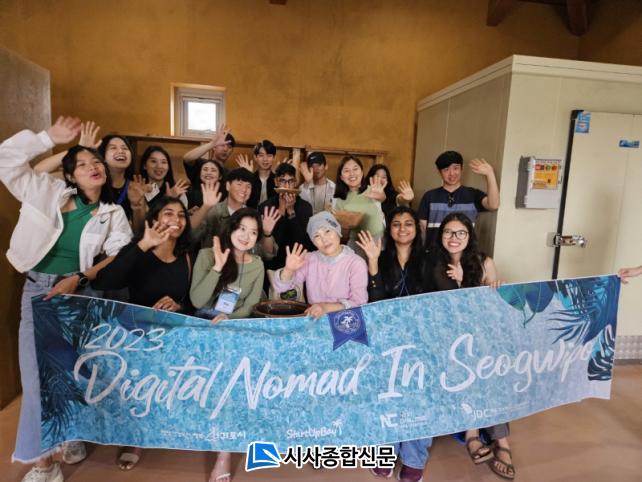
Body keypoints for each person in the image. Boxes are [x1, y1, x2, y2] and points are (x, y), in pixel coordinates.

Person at [0, 116, 132, 482]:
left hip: (78, 295)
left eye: (96, 161)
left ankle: (72, 433)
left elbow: (119, 254)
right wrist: (49, 139)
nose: (93, 167)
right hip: (38, 291)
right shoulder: (46, 191)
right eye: (83, 164)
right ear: (70, 175)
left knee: (74, 372)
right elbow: (5, 161)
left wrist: (81, 277)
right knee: (36, 378)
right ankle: (44, 463)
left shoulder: (112, 213)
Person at [91, 196, 193, 471]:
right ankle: (135, 439)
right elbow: (105, 281)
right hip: (136, 333)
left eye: (181, 215)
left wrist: (179, 305)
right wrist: (143, 245)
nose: (176, 219)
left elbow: (192, 301)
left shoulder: (187, 255)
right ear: (154, 218)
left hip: (173, 333)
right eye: (168, 213)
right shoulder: (138, 250)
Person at [431, 212, 515, 480]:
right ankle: (472, 434)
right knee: (467, 373)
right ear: (441, 235)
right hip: (450, 337)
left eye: (460, 233)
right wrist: (459, 281)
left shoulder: (484, 262)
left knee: (490, 377)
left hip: (482, 334)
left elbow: (491, 304)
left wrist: (493, 285)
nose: (453, 238)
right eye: (448, 232)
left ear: (469, 236)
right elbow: (450, 307)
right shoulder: (435, 263)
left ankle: (502, 442)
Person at [356, 207, 433, 482]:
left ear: (417, 228)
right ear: (389, 229)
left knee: (418, 395)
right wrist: (373, 262)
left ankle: (414, 458)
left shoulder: (430, 258)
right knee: (385, 392)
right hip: (386, 338)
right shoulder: (382, 256)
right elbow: (376, 300)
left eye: (408, 223)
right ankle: (384, 449)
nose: (402, 228)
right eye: (397, 224)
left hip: (422, 338)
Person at [271, 211, 367, 319]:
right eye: (317, 236)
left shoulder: (356, 263)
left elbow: (359, 303)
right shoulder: (309, 259)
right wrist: (288, 270)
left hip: (345, 320)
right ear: (313, 242)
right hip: (315, 319)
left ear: (338, 231)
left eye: (327, 231)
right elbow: (281, 289)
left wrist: (325, 308)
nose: (324, 239)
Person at [191, 168, 280, 264]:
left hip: (246, 269)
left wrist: (267, 233)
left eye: (248, 186)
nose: (244, 189)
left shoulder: (253, 216)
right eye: (239, 184)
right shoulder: (213, 212)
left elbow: (268, 254)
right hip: (214, 267)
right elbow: (190, 236)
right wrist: (205, 208)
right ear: (228, 186)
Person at [418, 151, 499, 247]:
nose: (452, 173)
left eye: (456, 168)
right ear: (439, 172)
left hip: (464, 252)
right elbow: (422, 228)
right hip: (434, 252)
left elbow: (493, 205)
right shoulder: (429, 196)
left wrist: (490, 174)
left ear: (461, 169)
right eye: (446, 169)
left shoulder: (473, 194)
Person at [258, 162, 314, 273]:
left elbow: (302, 242)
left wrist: (291, 212)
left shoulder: (305, 207)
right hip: (272, 263)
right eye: (283, 181)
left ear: (295, 182)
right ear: (276, 182)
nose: (287, 186)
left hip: (298, 262)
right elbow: (269, 245)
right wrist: (281, 212)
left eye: (290, 181)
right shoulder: (265, 206)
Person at [332, 155, 385, 258]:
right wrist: (346, 225)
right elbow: (341, 233)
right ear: (341, 177)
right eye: (346, 171)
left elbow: (382, 197)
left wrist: (380, 195)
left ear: (362, 172)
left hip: (377, 240)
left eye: (355, 169)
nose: (352, 174)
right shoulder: (339, 200)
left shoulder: (373, 189)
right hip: (355, 243)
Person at [237, 139, 277, 208]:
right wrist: (246, 176)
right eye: (261, 155)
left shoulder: (277, 180)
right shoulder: (250, 178)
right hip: (250, 214)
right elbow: (240, 202)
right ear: (255, 157)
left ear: (274, 158)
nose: (265, 159)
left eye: (269, 155)